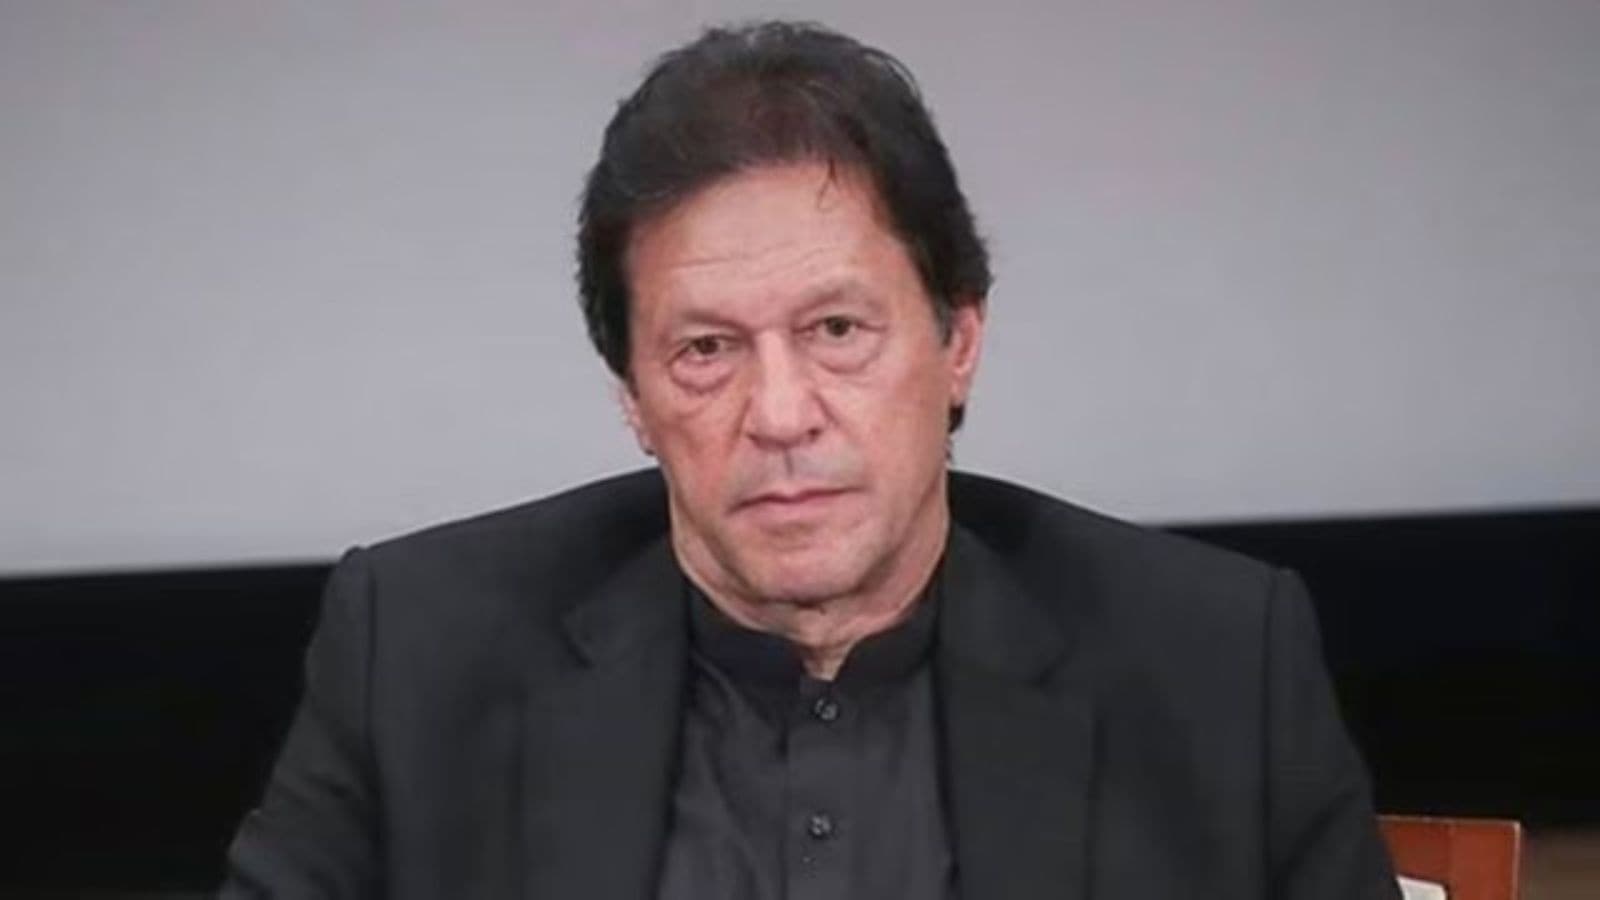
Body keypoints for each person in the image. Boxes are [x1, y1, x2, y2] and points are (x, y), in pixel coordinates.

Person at [222, 21, 1399, 899]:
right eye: (705, 350)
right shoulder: (417, 655)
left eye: (837, 330)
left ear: (957, 343)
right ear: (631, 397)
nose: (780, 414)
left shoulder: (1213, 665)